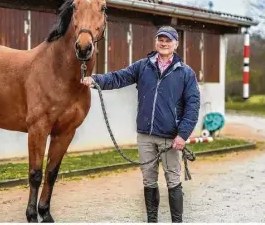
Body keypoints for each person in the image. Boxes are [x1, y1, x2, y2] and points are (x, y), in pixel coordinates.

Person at [81, 26, 200, 223]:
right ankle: (151, 221)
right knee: (149, 180)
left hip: (171, 137)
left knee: (173, 181)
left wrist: (183, 134)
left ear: (175, 44)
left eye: (168, 40)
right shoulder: (143, 66)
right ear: (156, 42)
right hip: (145, 135)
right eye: (160, 39)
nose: (163, 43)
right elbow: (119, 77)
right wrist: (95, 80)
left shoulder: (185, 73)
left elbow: (192, 107)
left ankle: (176, 222)